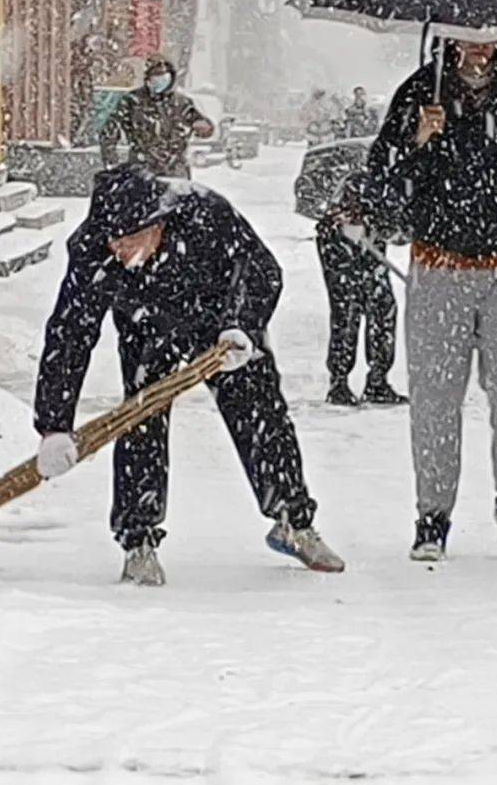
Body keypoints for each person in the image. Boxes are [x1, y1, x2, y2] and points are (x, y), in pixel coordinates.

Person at [33, 166, 345, 585]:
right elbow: (69, 332)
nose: (120, 252)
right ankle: (138, 541)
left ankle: (293, 521)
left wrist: (241, 327)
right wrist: (54, 425)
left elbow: (263, 272)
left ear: (157, 223)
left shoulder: (206, 214)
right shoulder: (93, 248)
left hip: (220, 325)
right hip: (146, 326)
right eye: (114, 242)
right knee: (139, 418)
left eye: (130, 241)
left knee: (259, 410)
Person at [366, 40, 497, 562]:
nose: (478, 46)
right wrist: (418, 140)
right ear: (448, 36)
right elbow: (383, 180)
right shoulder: (421, 90)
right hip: (439, 268)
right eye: (466, 34)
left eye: (489, 35)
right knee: (435, 397)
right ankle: (432, 515)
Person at [315, 170, 405, 408]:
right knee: (347, 310)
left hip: (369, 243)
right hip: (339, 242)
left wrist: (379, 231)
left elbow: (398, 231)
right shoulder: (369, 187)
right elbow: (342, 210)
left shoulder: (397, 191)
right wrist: (350, 225)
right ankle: (339, 382)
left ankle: (377, 380)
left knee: (383, 306)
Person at [99, 57, 214, 178]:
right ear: (148, 79)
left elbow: (201, 125)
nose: (160, 82)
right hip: (142, 168)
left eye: (164, 78)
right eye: (156, 78)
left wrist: (205, 128)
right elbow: (110, 130)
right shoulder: (133, 101)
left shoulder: (182, 103)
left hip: (175, 169)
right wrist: (111, 162)